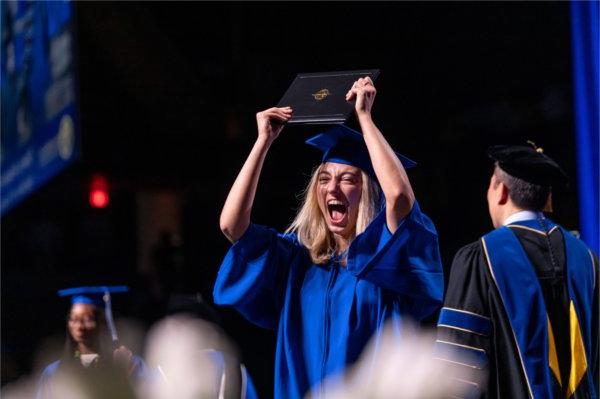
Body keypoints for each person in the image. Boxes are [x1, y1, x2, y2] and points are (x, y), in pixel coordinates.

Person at [214, 77, 444, 398]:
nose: (332, 188)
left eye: (347, 179)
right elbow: (231, 225)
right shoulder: (298, 260)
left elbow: (401, 199)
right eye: (324, 179)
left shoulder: (386, 261)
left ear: (367, 192)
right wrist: (262, 142)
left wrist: (365, 118)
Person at [436, 144, 599, 398]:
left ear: (500, 191)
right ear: (547, 199)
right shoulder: (587, 260)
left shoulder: (479, 258)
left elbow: (457, 371)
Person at [36, 286, 148, 399]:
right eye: (74, 319)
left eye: (88, 319)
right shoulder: (54, 372)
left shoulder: (130, 363)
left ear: (103, 323)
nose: (80, 326)